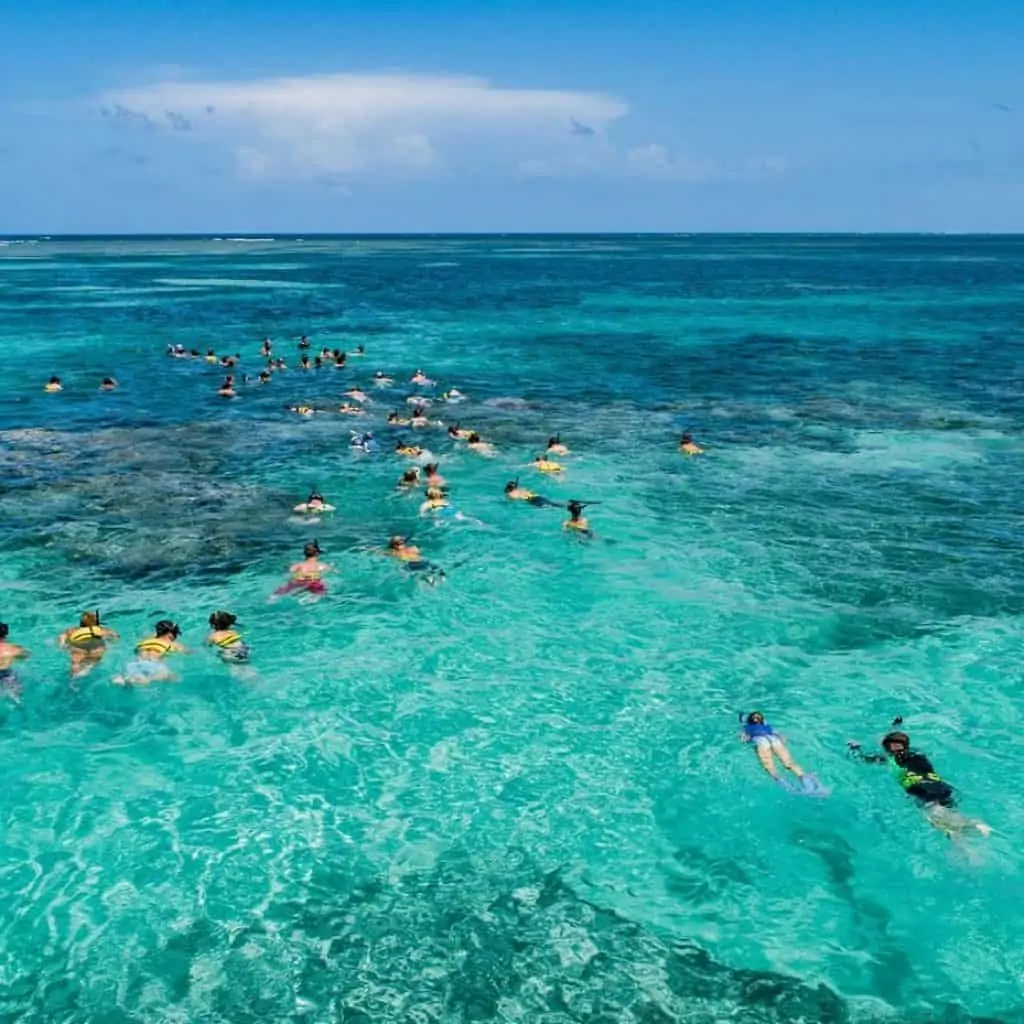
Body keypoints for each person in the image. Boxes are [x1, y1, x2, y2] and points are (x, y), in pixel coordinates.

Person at [848, 726, 991, 836]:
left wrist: (855, 749)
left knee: (932, 814)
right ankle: (972, 825)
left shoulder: (889, 758)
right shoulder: (917, 752)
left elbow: (862, 759)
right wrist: (896, 727)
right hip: (941, 785)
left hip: (920, 787)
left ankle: (969, 824)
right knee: (948, 810)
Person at [740, 712, 823, 793]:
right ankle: (807, 781)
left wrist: (748, 741)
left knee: (770, 768)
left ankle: (790, 789)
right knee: (790, 763)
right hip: (774, 739)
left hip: (761, 741)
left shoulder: (746, 727)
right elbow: (782, 737)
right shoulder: (768, 726)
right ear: (762, 720)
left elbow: (743, 739)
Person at [114, 620, 184, 686]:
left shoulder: (146, 640)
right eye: (176, 634)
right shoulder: (172, 644)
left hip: (133, 664)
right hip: (154, 666)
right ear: (170, 634)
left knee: (130, 677)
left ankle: (125, 679)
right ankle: (143, 680)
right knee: (174, 678)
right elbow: (187, 652)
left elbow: (135, 651)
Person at [58, 610, 119, 679]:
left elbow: (62, 637)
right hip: (96, 645)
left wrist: (62, 645)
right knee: (93, 661)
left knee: (76, 664)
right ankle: (88, 668)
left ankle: (74, 679)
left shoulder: (73, 630)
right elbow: (114, 636)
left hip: (79, 645)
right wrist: (112, 643)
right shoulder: (101, 629)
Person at [0, 622, 29, 700]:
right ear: (6, 634)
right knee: (16, 697)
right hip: (6, 674)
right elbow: (26, 655)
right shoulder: (12, 648)